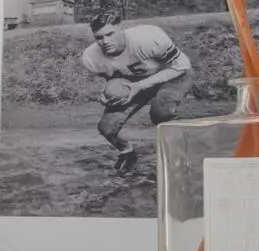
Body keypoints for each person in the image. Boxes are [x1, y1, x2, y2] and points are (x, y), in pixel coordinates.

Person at [79, 12, 193, 162]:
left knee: (161, 113)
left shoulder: (148, 37)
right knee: (106, 128)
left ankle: (184, 148)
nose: (105, 41)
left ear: (121, 28)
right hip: (134, 83)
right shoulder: (91, 57)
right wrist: (102, 92)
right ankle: (127, 152)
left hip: (171, 75)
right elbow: (107, 77)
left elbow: (182, 65)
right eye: (99, 37)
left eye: (110, 34)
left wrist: (141, 85)